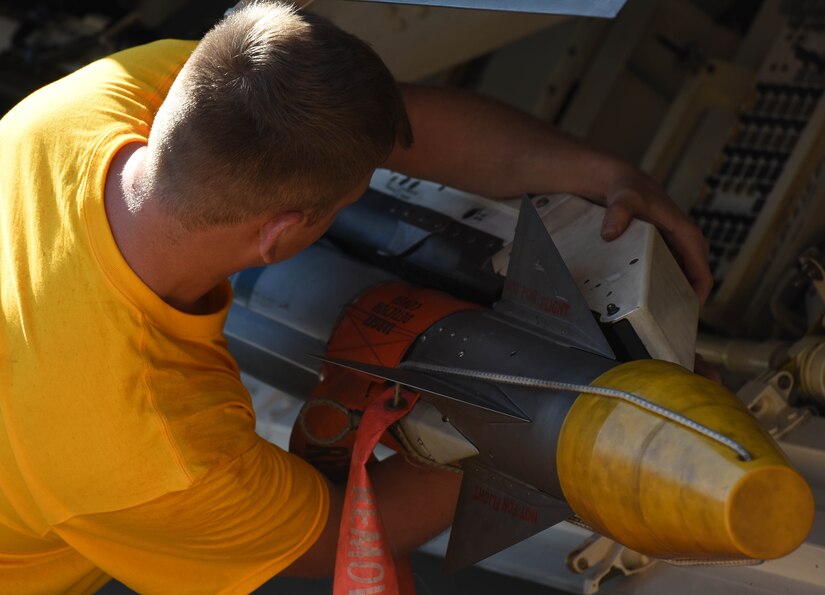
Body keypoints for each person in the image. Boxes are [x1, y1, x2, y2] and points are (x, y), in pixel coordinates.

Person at [0, 1, 711, 592]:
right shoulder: (154, 453)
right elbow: (350, 531)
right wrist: (558, 410)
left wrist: (601, 173)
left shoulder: (98, 104)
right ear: (279, 234)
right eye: (348, 198)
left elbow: (398, 127)